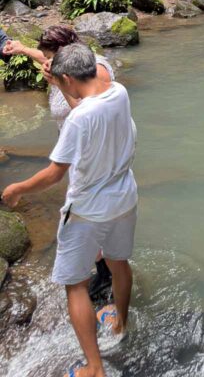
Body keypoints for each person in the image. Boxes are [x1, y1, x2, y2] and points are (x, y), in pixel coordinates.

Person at [1, 43, 138, 377]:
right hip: (125, 199)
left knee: (75, 284)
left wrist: (17, 188)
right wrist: (60, 85)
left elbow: (55, 172)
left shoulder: (78, 119)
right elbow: (88, 106)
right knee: (119, 262)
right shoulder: (118, 92)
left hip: (88, 210)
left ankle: (94, 368)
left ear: (66, 77)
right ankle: (119, 323)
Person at [4, 25, 114, 130]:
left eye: (49, 57)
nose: (47, 61)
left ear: (62, 54)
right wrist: (22, 49)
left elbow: (89, 117)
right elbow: (44, 57)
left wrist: (60, 83)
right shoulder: (68, 63)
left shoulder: (97, 69)